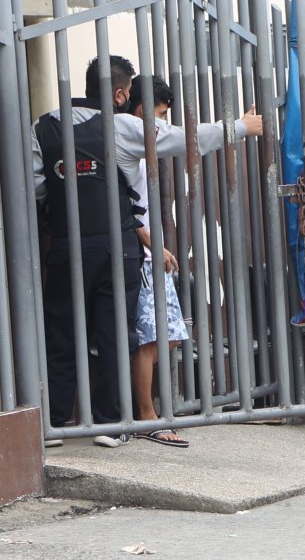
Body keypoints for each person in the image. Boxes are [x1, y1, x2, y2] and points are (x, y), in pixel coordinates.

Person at [33, 55, 262, 447]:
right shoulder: (121, 125)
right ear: (121, 93)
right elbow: (182, 138)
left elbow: (36, 187)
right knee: (114, 333)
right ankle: (108, 425)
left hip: (64, 247)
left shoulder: (43, 125)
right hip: (114, 247)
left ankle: (54, 425)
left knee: (61, 332)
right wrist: (240, 127)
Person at [123, 74, 189, 448]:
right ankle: (147, 416)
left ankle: (148, 411)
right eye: (158, 114)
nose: (162, 124)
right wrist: (149, 241)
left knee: (169, 337)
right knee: (152, 338)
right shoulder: (126, 143)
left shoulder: (142, 148)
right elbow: (126, 208)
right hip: (143, 255)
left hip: (150, 252)